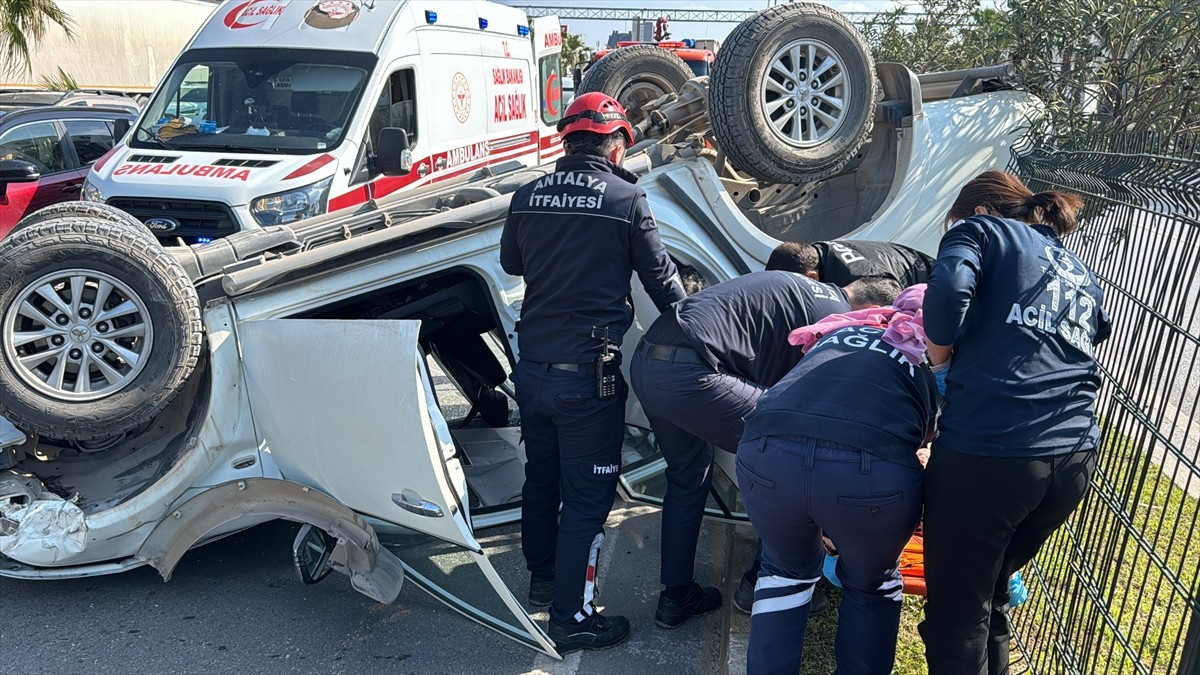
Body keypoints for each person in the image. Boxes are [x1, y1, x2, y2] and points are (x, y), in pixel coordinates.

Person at [500, 92, 686, 652]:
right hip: (587, 377)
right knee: (587, 500)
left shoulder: (527, 194)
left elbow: (511, 263)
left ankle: (543, 579)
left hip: (533, 369)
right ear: (617, 144)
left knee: (542, 479)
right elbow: (662, 282)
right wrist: (700, 330)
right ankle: (571, 617)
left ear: (567, 141)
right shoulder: (626, 198)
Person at [629, 270, 902, 629]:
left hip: (648, 361)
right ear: (874, 309)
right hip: (691, 371)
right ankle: (759, 582)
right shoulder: (835, 320)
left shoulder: (802, 288)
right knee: (793, 459)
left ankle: (676, 597)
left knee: (689, 474)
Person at [919, 170, 1112, 674]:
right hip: (1074, 455)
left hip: (991, 451)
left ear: (980, 210)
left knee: (957, 616)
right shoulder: (1076, 268)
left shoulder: (980, 230)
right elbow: (1099, 331)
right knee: (991, 594)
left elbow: (946, 293)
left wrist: (940, 363)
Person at [737, 284, 939, 674]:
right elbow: (926, 437)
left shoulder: (843, 329)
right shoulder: (930, 355)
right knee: (872, 585)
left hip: (767, 452)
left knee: (783, 574)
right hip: (869, 471)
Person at [766, 239, 934, 288]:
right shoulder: (816, 253)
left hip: (933, 285)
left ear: (812, 277)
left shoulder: (856, 277)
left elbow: (892, 304)